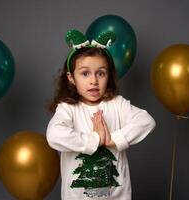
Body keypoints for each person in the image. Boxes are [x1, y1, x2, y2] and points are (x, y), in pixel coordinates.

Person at [46, 29, 155, 200]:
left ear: (108, 76)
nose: (94, 81)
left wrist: (113, 139)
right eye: (85, 73)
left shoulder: (117, 104)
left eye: (101, 73)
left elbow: (146, 121)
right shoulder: (68, 108)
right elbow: (54, 135)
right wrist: (95, 139)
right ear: (71, 78)